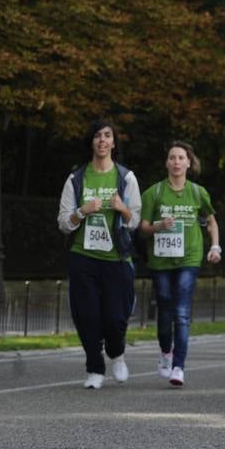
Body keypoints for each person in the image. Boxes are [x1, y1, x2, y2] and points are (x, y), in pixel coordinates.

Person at [57, 119, 142, 390]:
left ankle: (116, 353)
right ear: (92, 142)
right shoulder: (77, 178)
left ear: (114, 142)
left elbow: (136, 221)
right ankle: (94, 367)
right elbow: (63, 222)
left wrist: (123, 209)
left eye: (107, 136)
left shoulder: (125, 177)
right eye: (97, 136)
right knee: (87, 316)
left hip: (116, 258)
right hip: (83, 256)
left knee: (115, 317)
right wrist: (83, 211)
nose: (102, 141)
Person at [139, 142, 221, 386]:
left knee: (181, 312)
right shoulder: (153, 193)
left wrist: (215, 246)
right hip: (161, 258)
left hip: (189, 257)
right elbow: (142, 229)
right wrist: (157, 226)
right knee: (165, 307)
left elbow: (212, 222)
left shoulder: (198, 193)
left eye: (181, 158)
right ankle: (166, 352)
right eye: (172, 158)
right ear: (167, 163)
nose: (176, 162)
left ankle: (178, 366)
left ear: (188, 163)